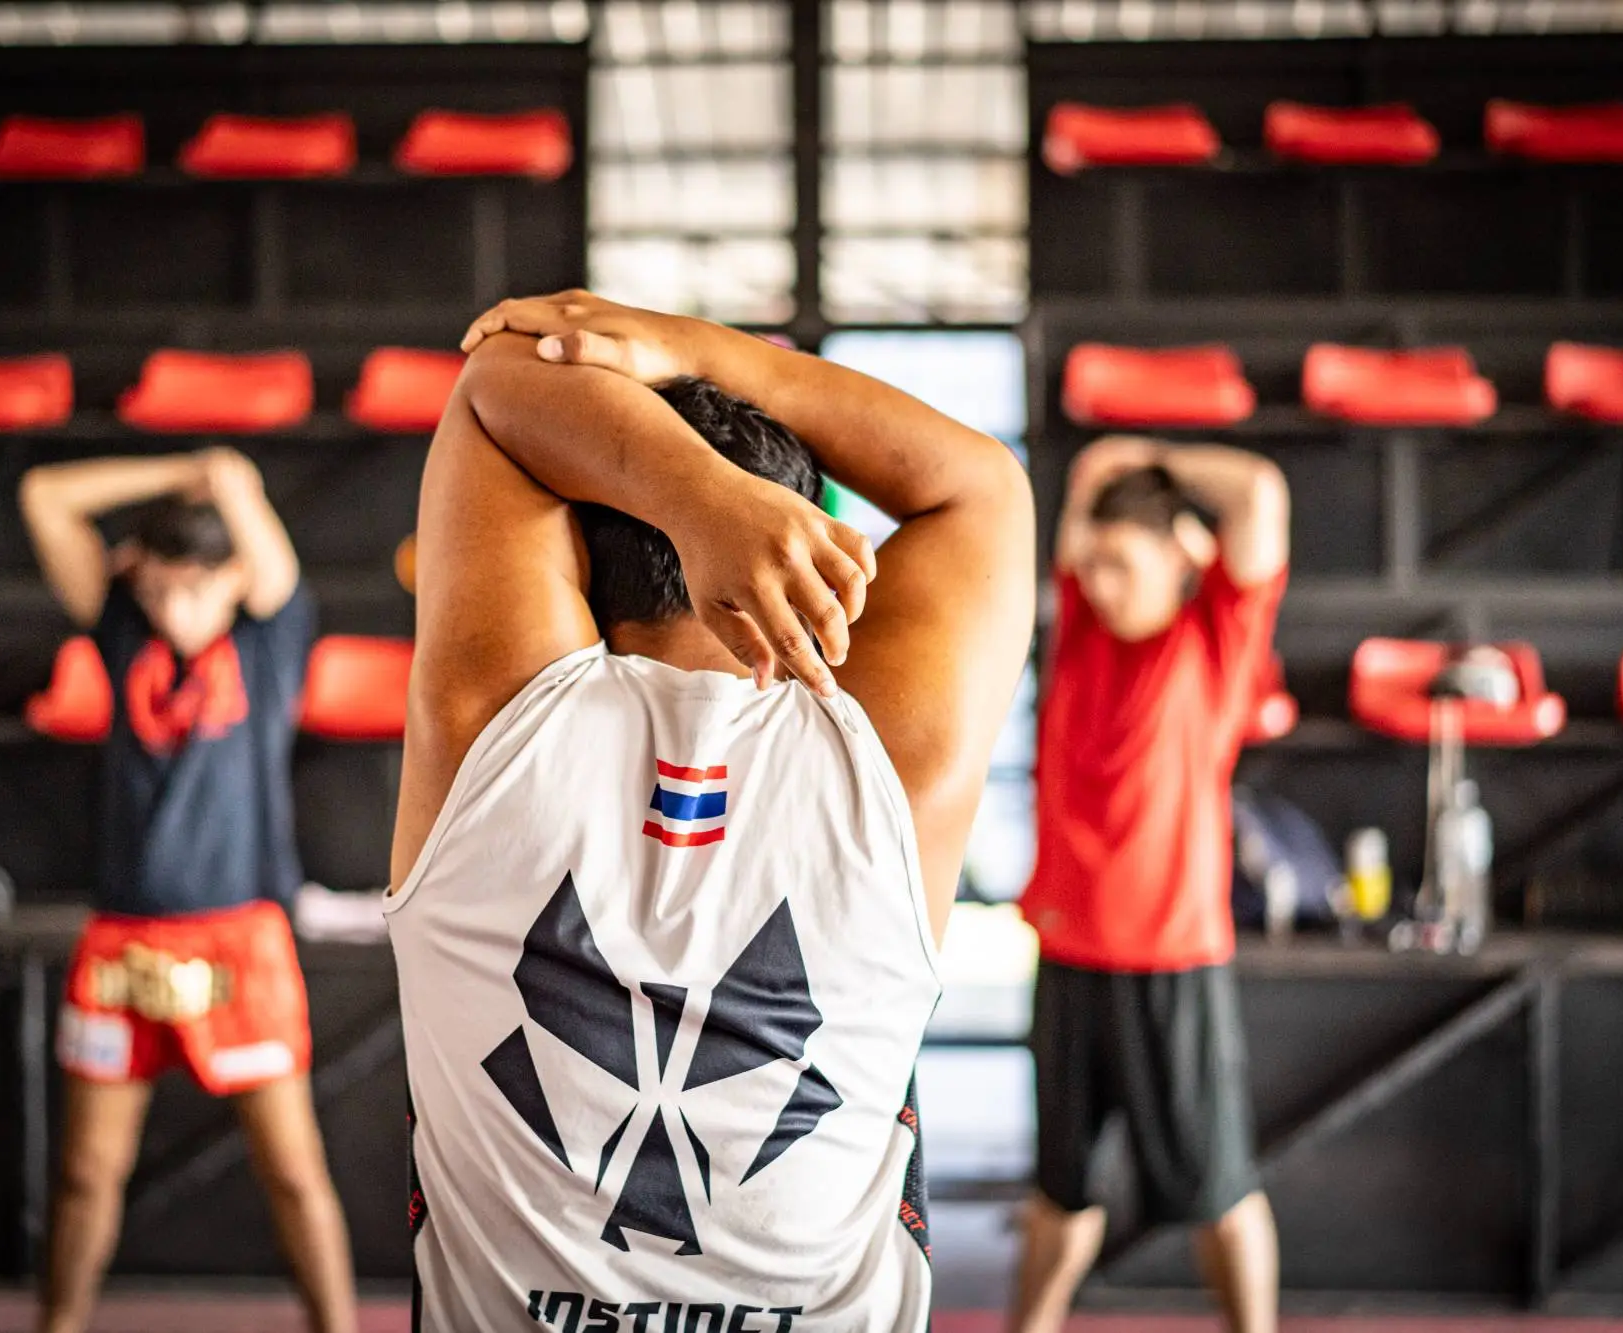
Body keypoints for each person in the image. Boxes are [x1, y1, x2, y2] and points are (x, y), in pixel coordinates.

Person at [385, 291, 1033, 1329]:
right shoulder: (887, 757)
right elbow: (981, 486)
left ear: (575, 550)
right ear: (805, 542)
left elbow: (494, 381)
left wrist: (692, 500)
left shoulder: (491, 722)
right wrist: (699, 361)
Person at [18, 450, 356, 1333]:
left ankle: (338, 1325)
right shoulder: (123, 624)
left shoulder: (268, 635)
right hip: (124, 936)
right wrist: (168, 473)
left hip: (243, 937)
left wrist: (220, 473)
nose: (175, 609)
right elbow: (44, 493)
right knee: (87, 1170)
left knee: (291, 1167)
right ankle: (58, 1322)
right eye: (159, 588)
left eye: (194, 590)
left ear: (233, 579)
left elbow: (245, 497)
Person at [1009, 436, 1291, 1333]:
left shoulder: (1214, 639)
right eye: (1090, 562)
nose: (1095, 581)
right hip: (1068, 954)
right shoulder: (1085, 620)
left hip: (1172, 961)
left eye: (1121, 565)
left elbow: (1258, 487)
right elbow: (1091, 475)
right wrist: (1115, 469)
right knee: (1060, 1198)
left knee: (1221, 1193)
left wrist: (1161, 460)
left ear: (1178, 557)